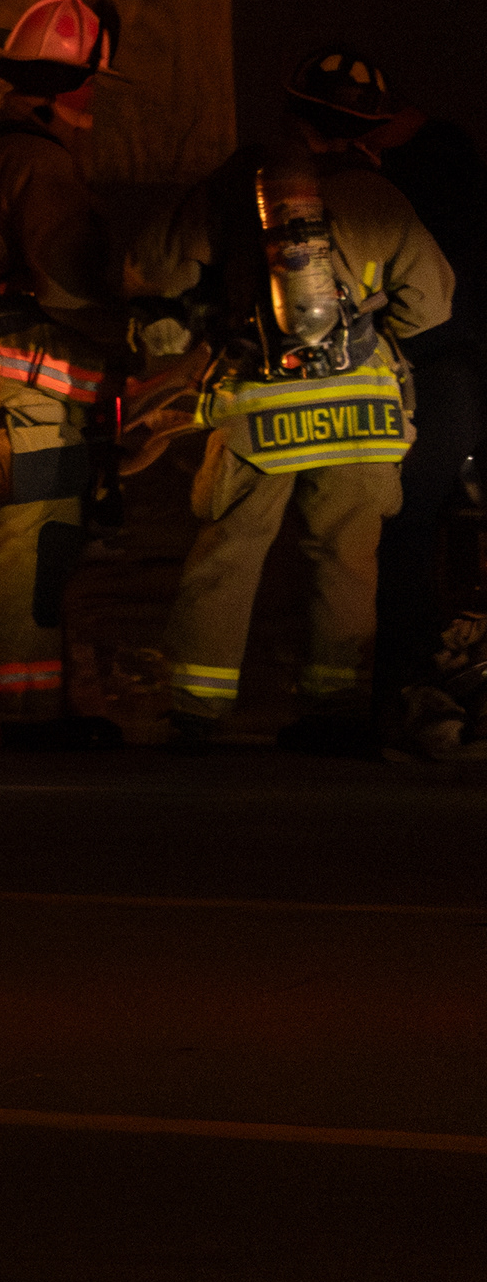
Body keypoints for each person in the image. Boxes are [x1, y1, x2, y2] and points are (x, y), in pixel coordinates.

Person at [130, 49, 456, 754]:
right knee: (344, 558)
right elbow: (430, 308)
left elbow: (157, 273)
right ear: (367, 129)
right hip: (363, 414)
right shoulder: (381, 197)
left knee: (231, 551)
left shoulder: (236, 185)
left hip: (262, 405)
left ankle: (195, 708)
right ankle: (332, 709)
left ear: (290, 115)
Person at [0, 0, 130, 750]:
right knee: (33, 538)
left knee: (9, 537)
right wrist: (135, 336)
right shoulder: (39, 161)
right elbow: (71, 283)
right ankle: (26, 716)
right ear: (75, 83)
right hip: (32, 387)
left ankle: (32, 704)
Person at [369, 85, 486, 753]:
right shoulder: (456, 180)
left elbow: (426, 308)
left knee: (405, 532)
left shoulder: (410, 190)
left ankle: (409, 687)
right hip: (456, 375)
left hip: (435, 377)